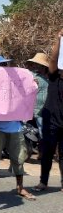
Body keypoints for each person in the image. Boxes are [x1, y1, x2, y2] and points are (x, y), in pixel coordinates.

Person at [0, 55, 35, 201]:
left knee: (19, 158)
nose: (4, 67)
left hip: (15, 126)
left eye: (5, 64)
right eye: (1, 65)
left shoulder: (15, 82)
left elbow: (26, 96)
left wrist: (31, 85)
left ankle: (20, 187)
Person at [35, 29, 63, 192]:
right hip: (50, 120)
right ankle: (43, 181)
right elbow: (53, 59)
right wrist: (59, 39)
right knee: (47, 152)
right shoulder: (54, 78)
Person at [26, 52, 50, 146]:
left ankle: (44, 151)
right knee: (41, 130)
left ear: (44, 67)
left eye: (39, 64)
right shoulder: (31, 76)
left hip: (46, 109)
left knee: (44, 130)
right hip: (35, 109)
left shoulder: (49, 78)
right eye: (35, 64)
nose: (36, 66)